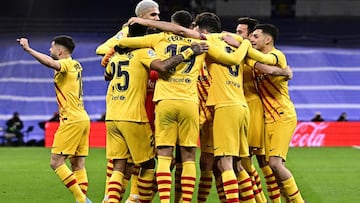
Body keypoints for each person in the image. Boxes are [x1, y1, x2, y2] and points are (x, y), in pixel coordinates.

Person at [103, 22, 208, 203]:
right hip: (134, 116)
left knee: (119, 166)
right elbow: (162, 67)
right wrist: (188, 52)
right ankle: (138, 199)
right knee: (150, 163)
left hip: (112, 115)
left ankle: (110, 200)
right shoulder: (145, 53)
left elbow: (107, 74)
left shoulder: (115, 56)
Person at [97, 1, 161, 202]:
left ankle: (116, 198)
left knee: (127, 161)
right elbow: (102, 49)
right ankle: (130, 198)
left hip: (133, 106)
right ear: (141, 18)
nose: (158, 19)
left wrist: (113, 57)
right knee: (143, 162)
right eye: (153, 15)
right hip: (137, 108)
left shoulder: (156, 37)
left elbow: (107, 72)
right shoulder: (129, 36)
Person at [17, 36, 92, 203]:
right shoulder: (76, 64)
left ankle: (82, 200)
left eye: (51, 47)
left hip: (71, 119)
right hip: (82, 117)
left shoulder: (64, 64)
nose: (49, 50)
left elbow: (52, 63)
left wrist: (28, 50)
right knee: (77, 163)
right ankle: (81, 200)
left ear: (60, 51)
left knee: (56, 162)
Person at [250, 23, 305, 202]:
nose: (251, 39)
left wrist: (243, 50)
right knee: (273, 166)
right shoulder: (254, 59)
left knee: (274, 163)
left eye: (256, 36)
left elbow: (268, 68)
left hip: (282, 115)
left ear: (268, 39)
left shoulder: (276, 54)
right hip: (269, 118)